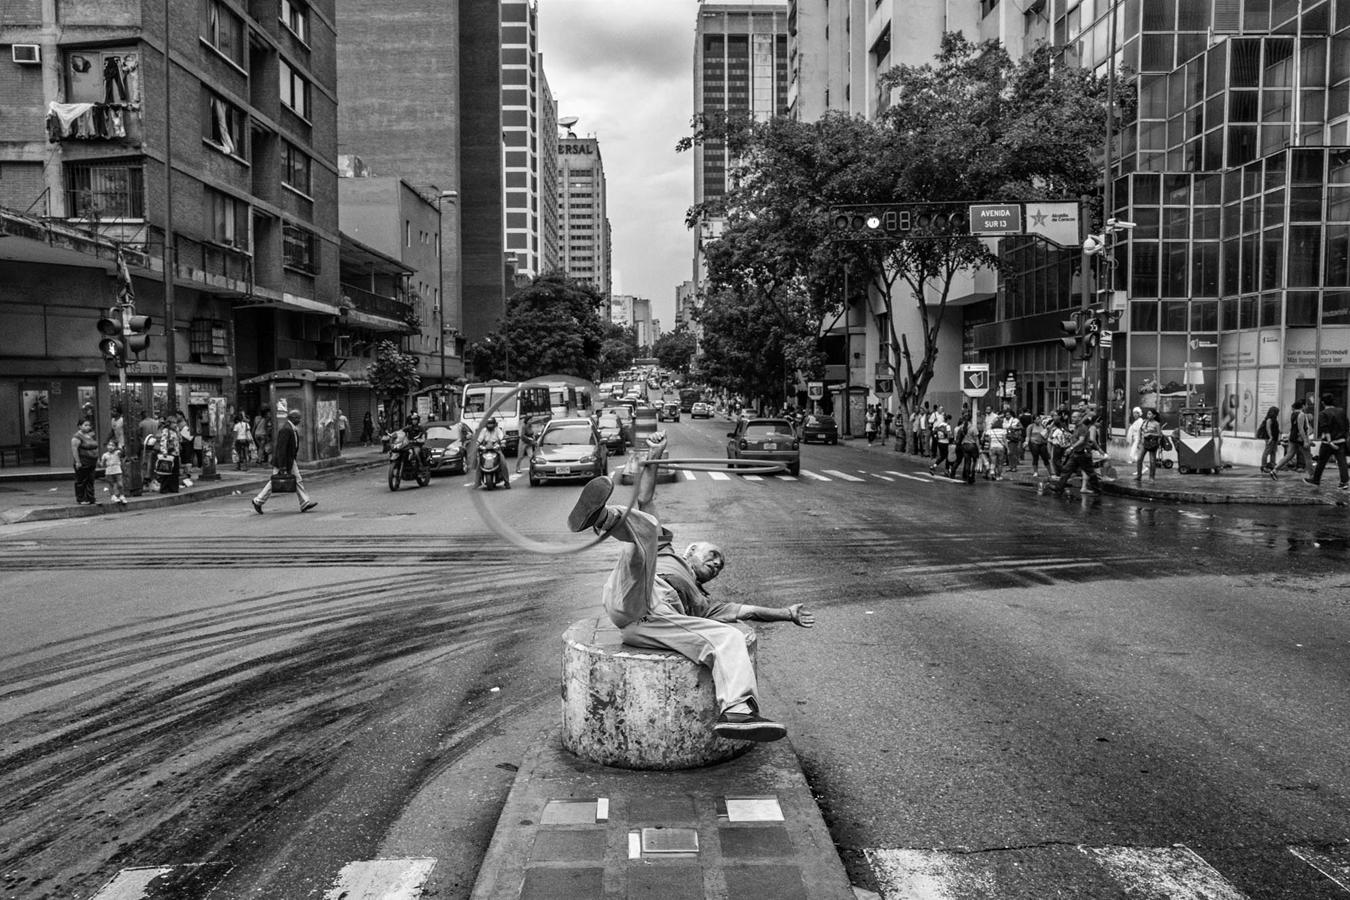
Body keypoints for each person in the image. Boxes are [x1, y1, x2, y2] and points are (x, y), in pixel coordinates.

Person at [567, 433, 814, 743]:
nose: (716, 564)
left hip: (649, 621)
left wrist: (787, 613)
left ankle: (739, 712)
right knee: (647, 532)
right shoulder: (669, 552)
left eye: (720, 566)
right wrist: (655, 455)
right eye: (713, 556)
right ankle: (600, 516)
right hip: (632, 589)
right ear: (691, 550)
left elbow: (748, 611)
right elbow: (644, 499)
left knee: (729, 637)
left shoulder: (702, 602)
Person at [252, 409, 317, 513]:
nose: (300, 420)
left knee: (297, 480)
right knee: (275, 482)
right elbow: (281, 449)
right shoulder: (286, 429)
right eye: (298, 418)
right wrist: (282, 467)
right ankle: (258, 501)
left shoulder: (291, 428)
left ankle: (305, 503)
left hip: (290, 460)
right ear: (292, 418)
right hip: (283, 460)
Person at [1305, 392, 1349, 490]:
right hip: (1340, 441)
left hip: (1328, 443)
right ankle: (1344, 482)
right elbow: (1346, 425)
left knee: (1321, 462)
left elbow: (1326, 429)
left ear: (1323, 403)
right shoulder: (1341, 411)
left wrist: (1329, 441)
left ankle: (1316, 480)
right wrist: (1344, 438)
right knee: (1342, 463)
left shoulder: (1323, 413)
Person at [1052, 412, 1102, 495]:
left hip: (1083, 454)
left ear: (1079, 418)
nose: (1073, 418)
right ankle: (1059, 488)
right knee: (1066, 470)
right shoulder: (1077, 427)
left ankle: (1097, 490)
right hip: (1076, 453)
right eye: (1072, 417)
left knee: (1090, 472)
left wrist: (1071, 448)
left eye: (1075, 417)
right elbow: (1075, 439)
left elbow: (1081, 440)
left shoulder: (1082, 427)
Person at [1271, 399, 1312, 478]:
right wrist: (1305, 440)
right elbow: (1301, 429)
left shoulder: (1293, 414)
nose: (1307, 406)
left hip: (1293, 438)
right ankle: (1312, 475)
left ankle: (1275, 470)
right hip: (1299, 439)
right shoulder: (1301, 414)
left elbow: (1294, 427)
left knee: (1289, 455)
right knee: (1308, 457)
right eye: (1306, 405)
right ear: (1303, 406)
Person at [476, 416, 511, 488]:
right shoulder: (483, 431)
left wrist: (503, 443)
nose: (490, 425)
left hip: (496, 450)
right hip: (485, 450)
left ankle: (506, 482)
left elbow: (502, 438)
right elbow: (479, 440)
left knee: (503, 463)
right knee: (479, 464)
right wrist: (476, 446)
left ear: (495, 424)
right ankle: (478, 481)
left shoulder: (498, 430)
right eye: (489, 423)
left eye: (491, 423)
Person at [71, 420, 100, 504]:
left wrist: (97, 458)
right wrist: (78, 461)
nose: (88, 427)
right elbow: (74, 449)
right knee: (81, 480)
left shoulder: (90, 435)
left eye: (89, 425)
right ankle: (81, 498)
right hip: (83, 461)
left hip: (92, 462)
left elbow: (95, 447)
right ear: (80, 426)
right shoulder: (77, 437)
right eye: (85, 425)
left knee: (90, 480)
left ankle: (90, 498)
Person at [1135, 407, 1163, 482]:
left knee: (1152, 461)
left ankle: (1151, 477)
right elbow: (1140, 431)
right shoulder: (1144, 421)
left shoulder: (1157, 424)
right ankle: (1139, 475)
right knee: (1139, 459)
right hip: (1144, 443)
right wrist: (1139, 441)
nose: (1148, 415)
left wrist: (1151, 434)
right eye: (1148, 413)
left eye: (1150, 414)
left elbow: (1159, 434)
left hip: (1152, 443)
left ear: (1154, 416)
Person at [99, 439, 126, 505]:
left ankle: (122, 495)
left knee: (120, 484)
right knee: (111, 484)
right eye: (109, 445)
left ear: (115, 447)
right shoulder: (105, 455)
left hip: (117, 469)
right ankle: (113, 496)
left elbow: (122, 453)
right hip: (109, 470)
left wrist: (119, 447)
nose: (110, 447)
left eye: (112, 445)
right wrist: (99, 462)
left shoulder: (117, 452)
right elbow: (102, 464)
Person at [1257, 405, 1281, 473]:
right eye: (1277, 412)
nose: (1278, 414)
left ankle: (1272, 464)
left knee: (1273, 451)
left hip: (1275, 438)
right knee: (1267, 452)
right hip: (1270, 438)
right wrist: (1270, 437)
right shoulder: (1269, 419)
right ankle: (1263, 466)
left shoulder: (1275, 419)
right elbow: (1268, 428)